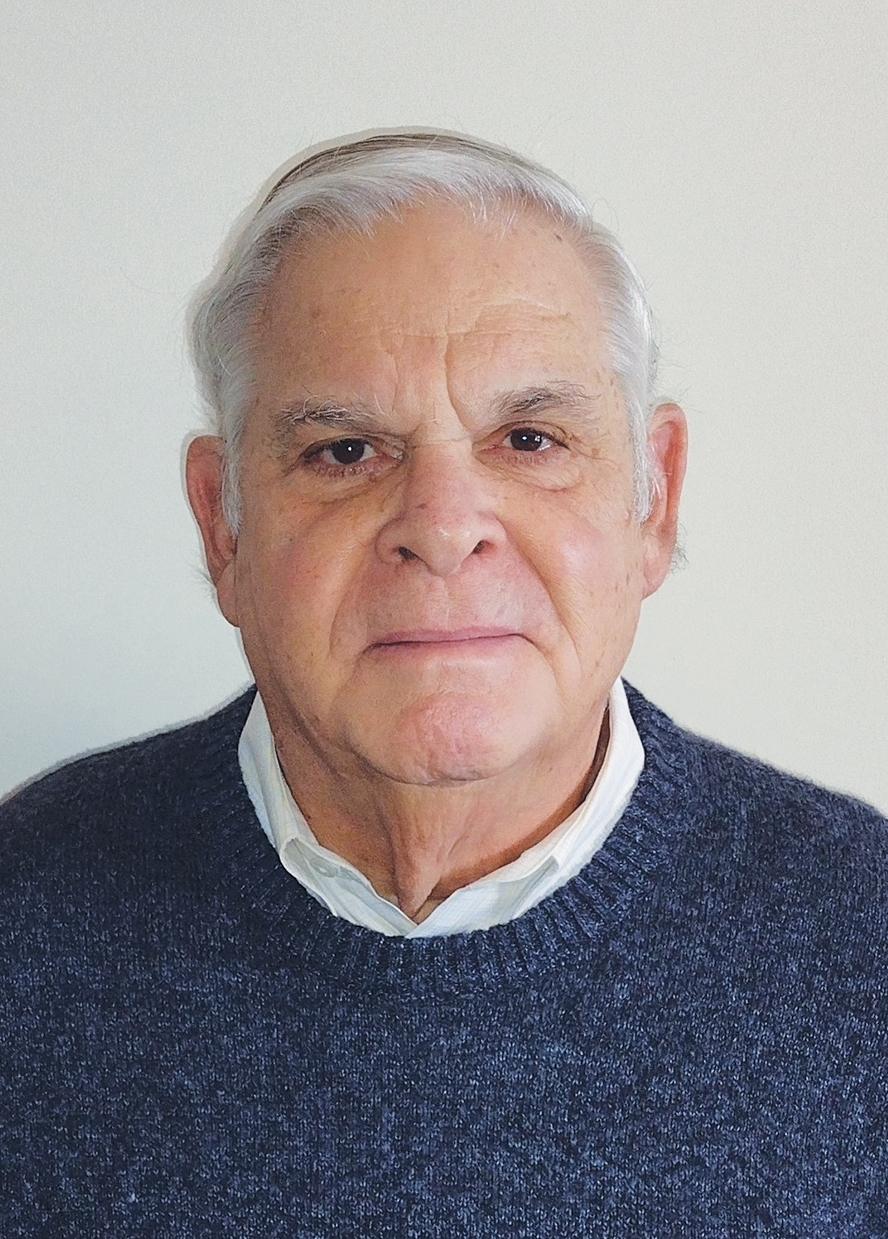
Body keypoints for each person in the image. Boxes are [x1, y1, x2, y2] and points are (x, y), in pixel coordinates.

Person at [1, 131, 886, 1236]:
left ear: (653, 501)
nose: (441, 527)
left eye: (528, 437)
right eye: (344, 452)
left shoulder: (865, 938)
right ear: (221, 522)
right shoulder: (23, 918)